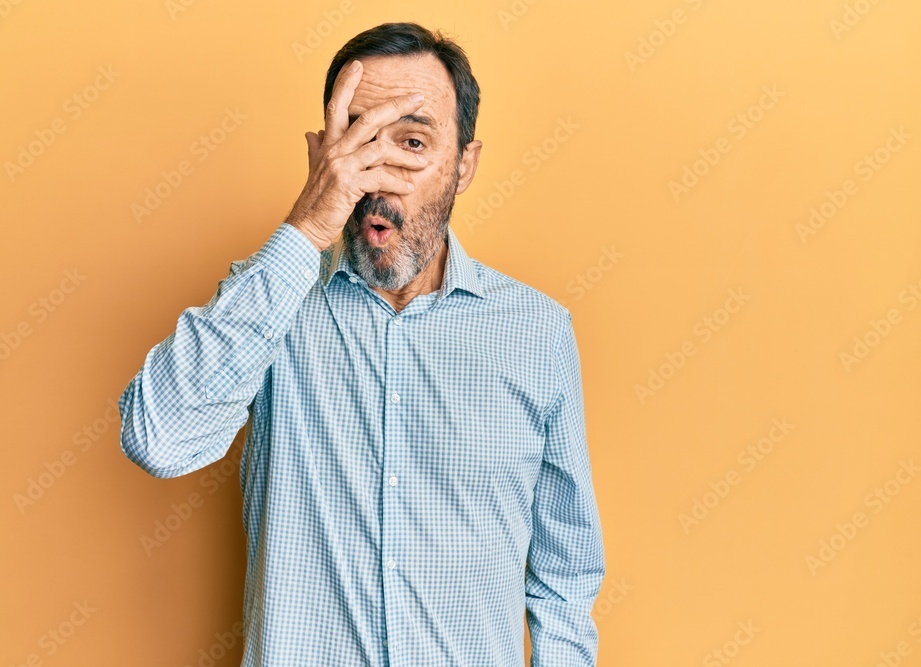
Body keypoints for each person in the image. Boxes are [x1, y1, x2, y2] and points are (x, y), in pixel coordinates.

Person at [118, 21, 605, 667]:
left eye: (411, 142)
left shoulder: (536, 331)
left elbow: (566, 567)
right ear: (323, 153)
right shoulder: (267, 300)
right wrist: (307, 225)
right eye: (356, 137)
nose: (379, 173)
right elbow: (160, 439)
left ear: (465, 164)